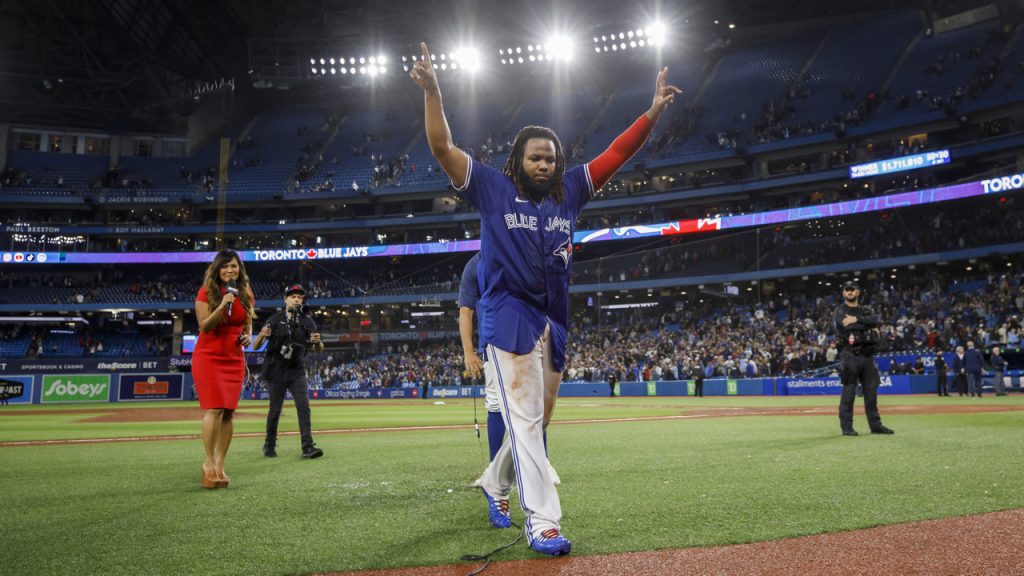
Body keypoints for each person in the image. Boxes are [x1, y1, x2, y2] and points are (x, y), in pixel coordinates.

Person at [412, 41, 681, 556]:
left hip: (553, 318)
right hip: (509, 311)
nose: (544, 163)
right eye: (536, 156)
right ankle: (543, 520)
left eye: (551, 158)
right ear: (518, 159)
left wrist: (650, 113)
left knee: (540, 418)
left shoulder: (570, 191)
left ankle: (496, 479)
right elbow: (442, 148)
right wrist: (434, 94)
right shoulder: (491, 187)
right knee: (529, 421)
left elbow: (617, 154)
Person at [459, 253, 560, 485]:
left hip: (528, 336)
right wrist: (468, 352)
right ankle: (495, 468)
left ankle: (541, 464)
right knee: (495, 403)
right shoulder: (475, 265)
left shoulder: (520, 253)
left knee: (533, 403)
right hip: (494, 340)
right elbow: (465, 312)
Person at [192, 249, 255, 489]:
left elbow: (247, 326)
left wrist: (247, 337)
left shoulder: (246, 293)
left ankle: (220, 463)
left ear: (240, 269)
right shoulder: (206, 292)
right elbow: (205, 327)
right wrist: (222, 305)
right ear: (217, 270)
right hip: (209, 356)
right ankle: (208, 463)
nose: (230, 270)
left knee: (229, 413)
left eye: (234, 266)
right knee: (215, 409)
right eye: (225, 266)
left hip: (233, 357)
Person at [252, 284, 324, 459]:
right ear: (285, 299)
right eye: (293, 296)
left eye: (300, 297)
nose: (297, 299)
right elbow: (256, 346)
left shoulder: (308, 321)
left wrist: (317, 342)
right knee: (275, 410)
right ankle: (269, 444)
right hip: (275, 370)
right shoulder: (275, 319)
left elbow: (318, 350)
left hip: (296, 370)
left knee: (304, 407)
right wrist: (261, 335)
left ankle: (307, 446)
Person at [833, 281, 894, 436]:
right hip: (850, 355)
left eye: (852, 289)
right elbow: (847, 326)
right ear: (843, 293)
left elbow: (875, 321)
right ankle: (847, 427)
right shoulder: (839, 310)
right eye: (847, 290)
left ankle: (876, 425)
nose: (850, 292)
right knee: (848, 393)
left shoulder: (866, 309)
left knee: (871, 393)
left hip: (868, 356)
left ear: (858, 292)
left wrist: (856, 320)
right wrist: (864, 323)